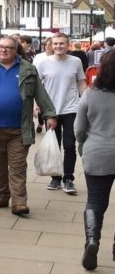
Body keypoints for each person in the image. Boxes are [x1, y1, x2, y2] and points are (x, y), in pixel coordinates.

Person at [0, 36, 57, 217]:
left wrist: (49, 114)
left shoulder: (28, 69)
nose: (3, 50)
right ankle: (0, 196)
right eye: (1, 47)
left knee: (17, 167)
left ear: (16, 50)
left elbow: (41, 92)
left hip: (19, 129)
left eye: (8, 47)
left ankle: (19, 202)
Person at [76, 51, 115, 270]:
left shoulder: (91, 94)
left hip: (97, 153)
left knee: (95, 201)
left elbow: (79, 129)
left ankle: (92, 240)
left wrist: (83, 144)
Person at [35, 32, 87, 195]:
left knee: (70, 145)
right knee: (54, 145)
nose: (58, 46)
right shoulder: (43, 63)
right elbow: (36, 87)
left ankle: (68, 178)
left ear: (68, 45)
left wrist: (85, 102)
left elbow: (81, 82)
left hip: (71, 109)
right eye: (55, 43)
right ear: (50, 45)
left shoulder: (76, 62)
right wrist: (36, 106)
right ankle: (56, 177)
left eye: (62, 43)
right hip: (50, 111)